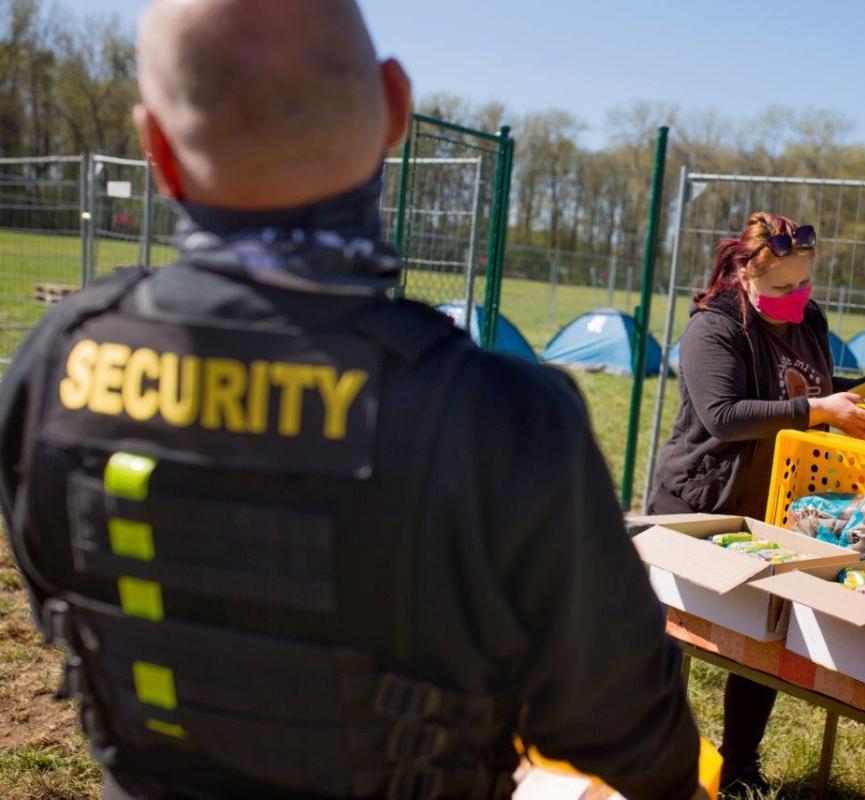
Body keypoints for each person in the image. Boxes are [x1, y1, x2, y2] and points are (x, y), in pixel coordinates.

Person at [0, 1, 701, 797]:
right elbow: (625, 729)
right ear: (394, 105)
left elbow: (67, 613)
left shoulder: (53, 364)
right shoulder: (503, 419)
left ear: (157, 146)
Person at [648, 211, 865, 794]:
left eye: (805, 284)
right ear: (745, 276)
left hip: (776, 508)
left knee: (762, 642)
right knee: (671, 638)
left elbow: (819, 390)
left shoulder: (810, 320)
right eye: (782, 288)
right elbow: (723, 418)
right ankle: (650, 752)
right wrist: (818, 412)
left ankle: (737, 766)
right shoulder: (714, 329)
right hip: (698, 503)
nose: (796, 298)